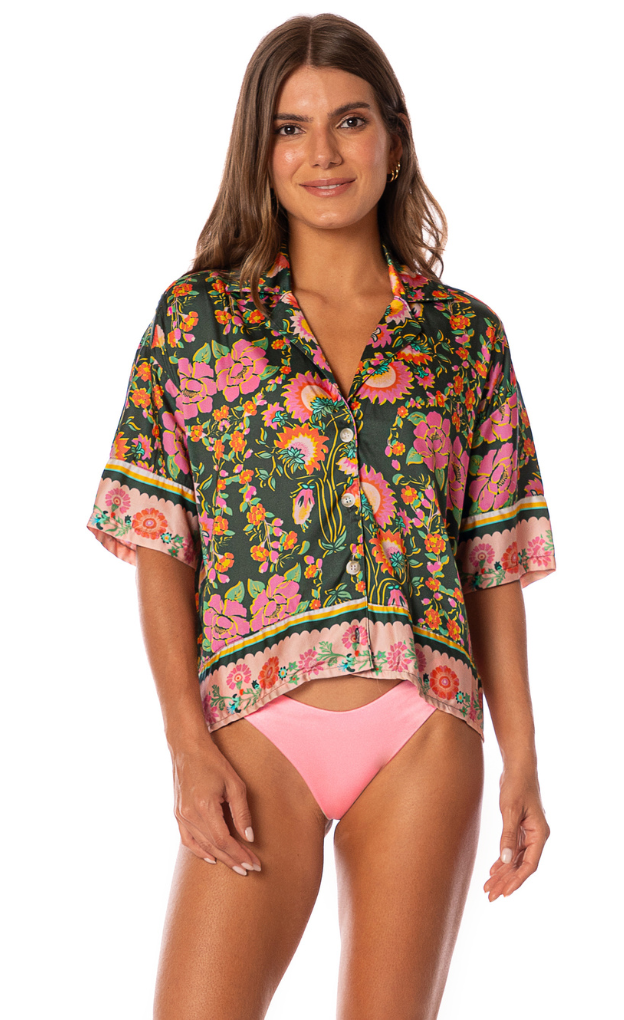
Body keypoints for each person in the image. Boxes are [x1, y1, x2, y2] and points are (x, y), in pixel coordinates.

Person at [87, 13, 556, 1020]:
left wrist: (522, 760)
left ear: (394, 136)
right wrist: (187, 746)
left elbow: (492, 566)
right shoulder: (199, 322)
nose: (324, 154)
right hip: (254, 731)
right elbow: (162, 545)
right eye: (290, 128)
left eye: (349, 120)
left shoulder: (465, 338)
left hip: (424, 727)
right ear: (259, 151)